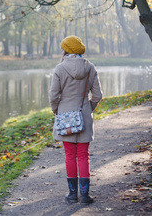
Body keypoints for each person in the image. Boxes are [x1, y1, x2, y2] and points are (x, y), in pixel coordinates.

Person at [49, 35, 103, 205]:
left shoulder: (59, 68)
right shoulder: (90, 68)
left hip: (65, 116)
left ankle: (73, 195)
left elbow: (53, 96)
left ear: (66, 50)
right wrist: (88, 109)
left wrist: (56, 111)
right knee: (83, 155)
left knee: (70, 155)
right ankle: (85, 196)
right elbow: (98, 95)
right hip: (84, 115)